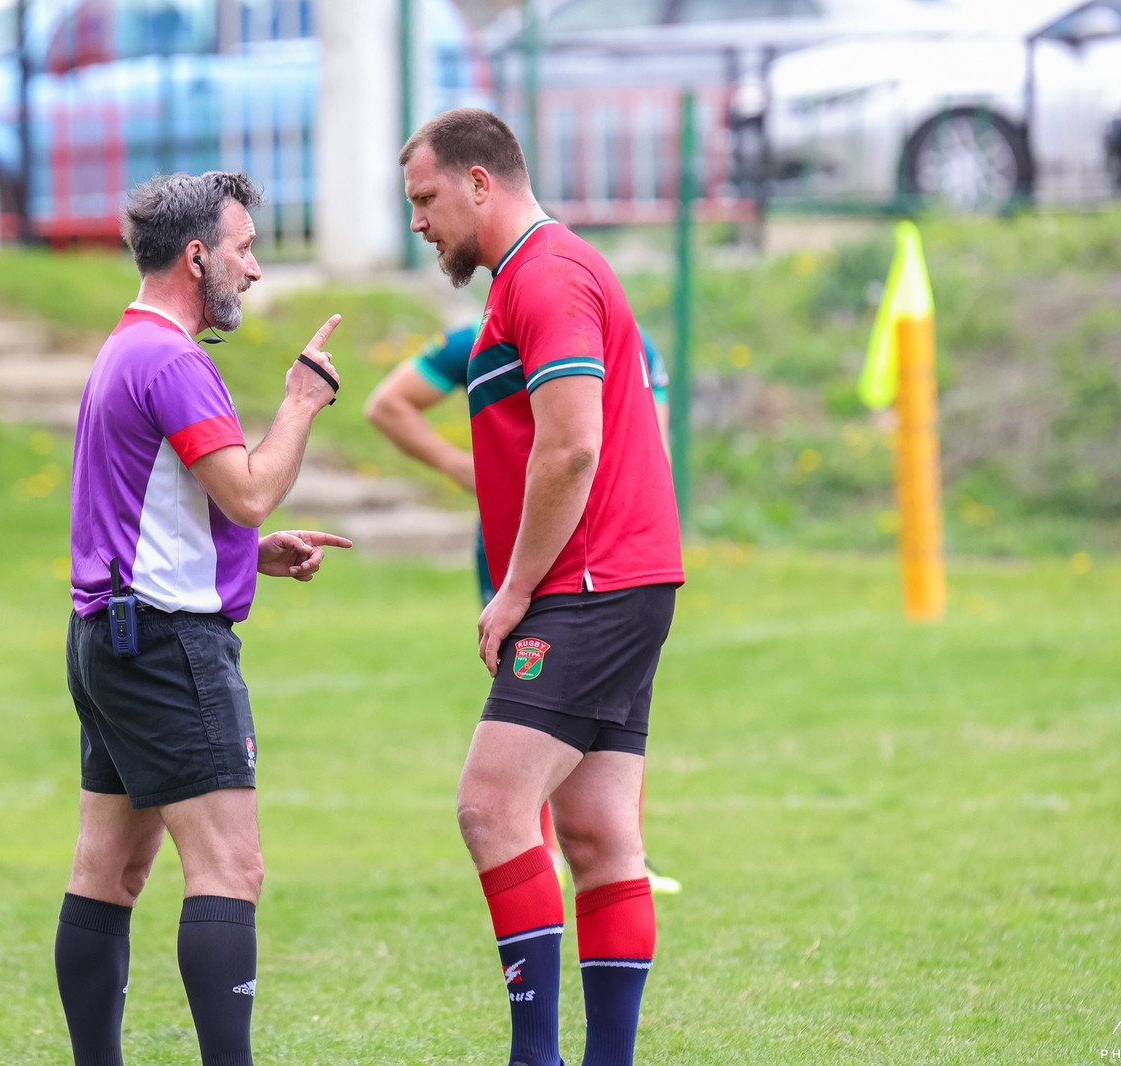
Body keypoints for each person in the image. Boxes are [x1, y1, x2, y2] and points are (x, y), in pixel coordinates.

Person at [399, 109, 684, 1066]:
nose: (418, 221)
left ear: (481, 183)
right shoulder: (525, 279)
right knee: (599, 837)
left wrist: (515, 587)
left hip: (588, 584)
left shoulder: (548, 273)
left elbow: (572, 447)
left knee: (490, 806)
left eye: (426, 198)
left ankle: (536, 1058)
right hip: (618, 579)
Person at [57, 170, 350, 1066]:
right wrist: (301, 400)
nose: (253, 269)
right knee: (231, 869)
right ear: (196, 256)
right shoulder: (177, 361)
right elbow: (250, 492)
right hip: (165, 645)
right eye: (244, 248)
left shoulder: (125, 348)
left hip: (106, 638)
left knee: (110, 870)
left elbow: (135, 512)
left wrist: (244, 556)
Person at [364, 322, 682, 896]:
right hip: (527, 547)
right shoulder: (480, 339)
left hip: (604, 554)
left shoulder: (630, 340)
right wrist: (458, 466)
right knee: (537, 697)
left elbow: (644, 448)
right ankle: (551, 847)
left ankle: (613, 847)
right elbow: (387, 405)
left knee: (605, 699)